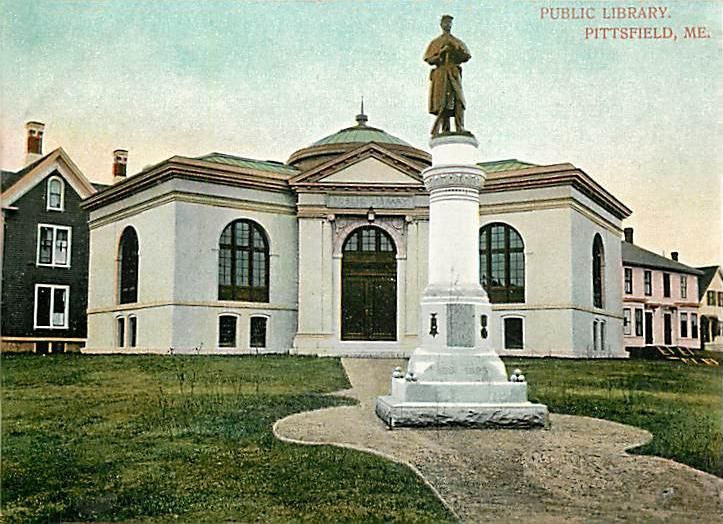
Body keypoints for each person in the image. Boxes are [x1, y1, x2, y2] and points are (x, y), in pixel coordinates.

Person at [424, 15, 471, 135]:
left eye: (450, 23)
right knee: (443, 103)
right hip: (441, 73)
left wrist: (454, 49)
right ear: (441, 24)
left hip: (453, 72)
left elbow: (466, 56)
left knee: (459, 101)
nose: (448, 25)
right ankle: (445, 129)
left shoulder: (456, 41)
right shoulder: (436, 42)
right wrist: (440, 53)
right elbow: (429, 59)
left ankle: (460, 127)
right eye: (445, 23)